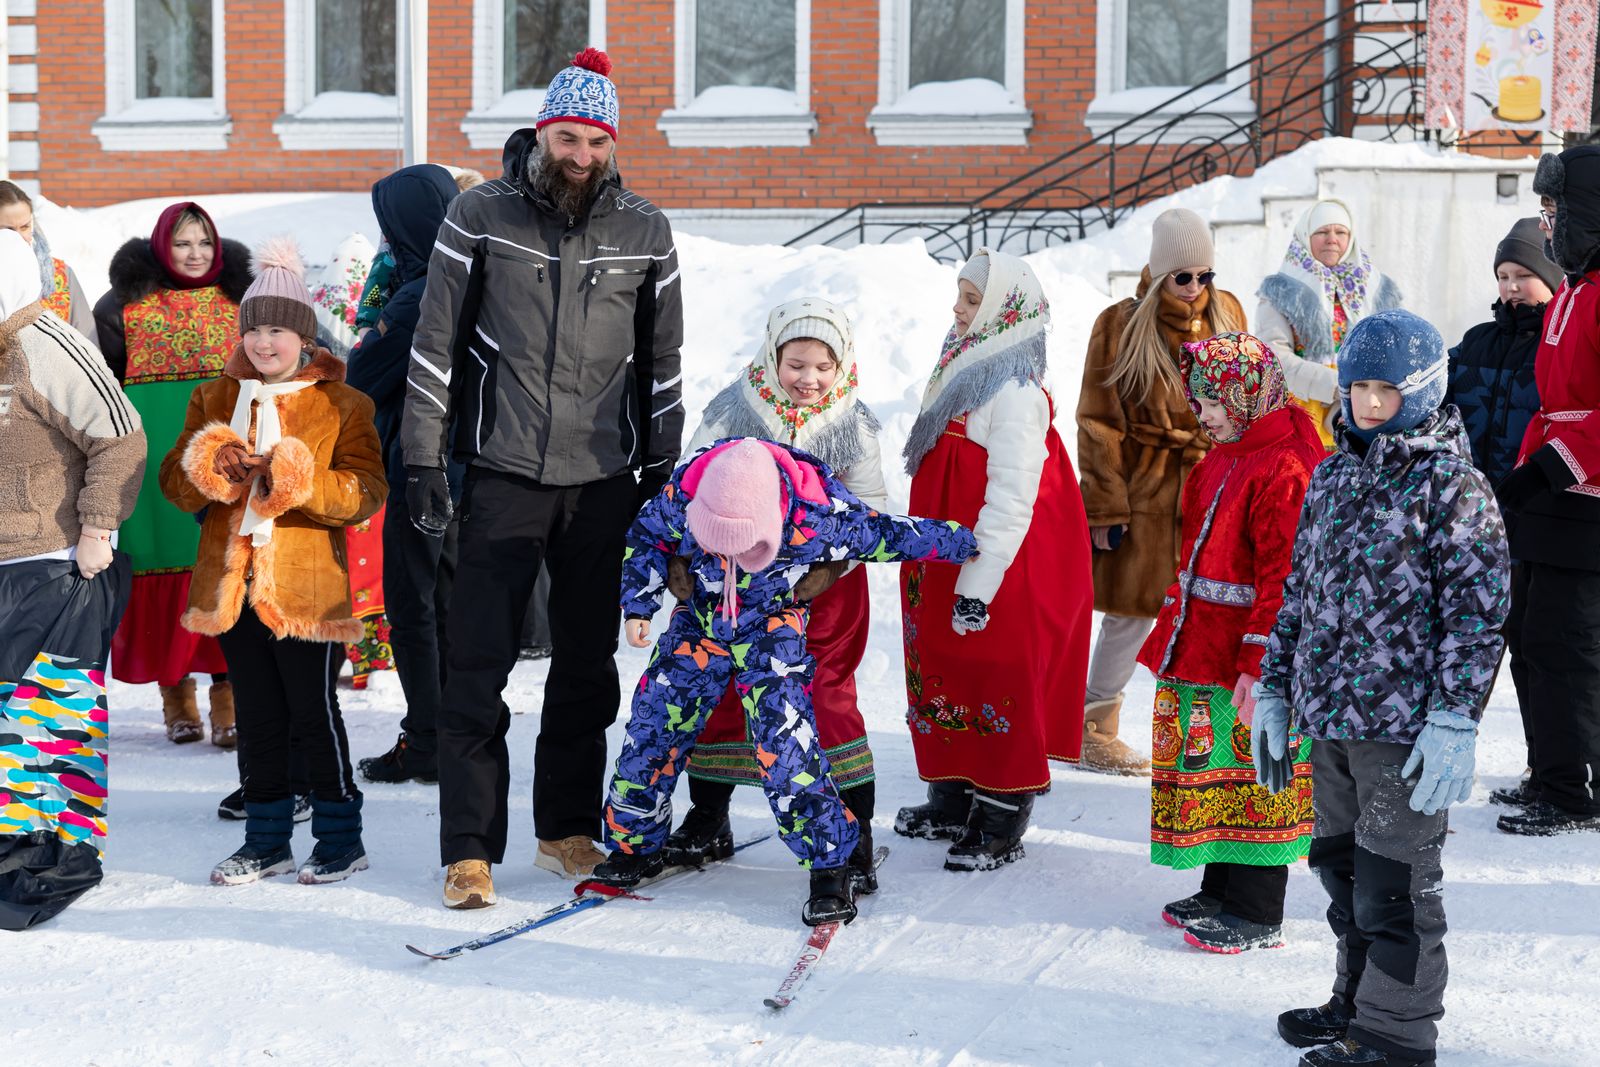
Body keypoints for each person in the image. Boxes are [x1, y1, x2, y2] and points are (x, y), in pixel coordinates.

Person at [400, 48, 685, 905]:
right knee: (477, 662)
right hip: (503, 470)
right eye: (569, 138)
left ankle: (566, 829)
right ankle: (469, 848)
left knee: (586, 667)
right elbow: (435, 345)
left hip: (602, 478)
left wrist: (661, 468)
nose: (582, 155)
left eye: (597, 141)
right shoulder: (479, 214)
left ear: (612, 142)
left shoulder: (644, 229)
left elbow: (662, 360)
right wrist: (422, 457)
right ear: (543, 133)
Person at [1254, 309, 1508, 1067]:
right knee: (1342, 870)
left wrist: (1455, 718)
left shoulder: (1452, 486)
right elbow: (1299, 594)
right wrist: (1276, 688)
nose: (1368, 402)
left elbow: (1477, 616)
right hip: (1330, 717)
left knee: (1394, 885)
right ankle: (1357, 1000)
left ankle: (1395, 1035)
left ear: (1421, 390)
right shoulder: (1332, 475)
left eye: (1387, 389)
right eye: (1358, 385)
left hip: (1404, 732)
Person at [589, 438, 977, 924]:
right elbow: (646, 537)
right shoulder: (684, 494)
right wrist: (639, 606)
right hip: (699, 621)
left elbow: (891, 534)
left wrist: (966, 542)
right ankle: (634, 844)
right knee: (652, 725)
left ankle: (830, 864)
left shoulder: (815, 517)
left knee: (785, 744)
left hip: (770, 626)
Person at [158, 240, 387, 886]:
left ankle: (341, 837)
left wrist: (299, 480)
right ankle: (266, 841)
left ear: (304, 338)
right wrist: (209, 463)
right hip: (233, 584)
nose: (263, 342)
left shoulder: (343, 404)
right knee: (257, 715)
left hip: (306, 589)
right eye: (254, 329)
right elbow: (174, 485)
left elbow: (367, 490)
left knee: (313, 712)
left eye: (278, 330)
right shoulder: (213, 397)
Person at [663, 299, 888, 878]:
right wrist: (681, 554)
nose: (809, 380)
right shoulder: (735, 408)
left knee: (825, 697)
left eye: (823, 367)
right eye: (796, 365)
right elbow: (689, 482)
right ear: (772, 356)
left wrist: (834, 566)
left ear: (842, 365)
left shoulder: (852, 423)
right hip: (735, 582)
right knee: (721, 691)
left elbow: (871, 507)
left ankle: (853, 828)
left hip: (822, 591)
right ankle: (708, 816)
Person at [895, 249, 1093, 870]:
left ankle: (1002, 815)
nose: (958, 309)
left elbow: (1011, 497)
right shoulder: (961, 367)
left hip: (1001, 564)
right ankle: (953, 796)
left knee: (996, 676)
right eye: (960, 295)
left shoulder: (1014, 392)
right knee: (945, 670)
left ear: (1006, 309)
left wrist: (978, 584)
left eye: (973, 300)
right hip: (943, 558)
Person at [1136, 332, 1324, 953]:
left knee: (1252, 771)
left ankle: (1256, 909)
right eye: (1199, 401)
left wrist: (1260, 663)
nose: (1204, 413)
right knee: (1215, 765)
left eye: (1215, 400)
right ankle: (1219, 887)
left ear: (1248, 395)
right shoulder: (1224, 454)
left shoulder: (1286, 466)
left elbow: (1285, 577)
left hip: (1244, 656)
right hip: (1201, 646)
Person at [0, 229, 144, 929]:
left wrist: (98, 527)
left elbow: (121, 435)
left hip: (54, 560)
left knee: (50, 717)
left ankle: (55, 858)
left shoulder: (45, 343)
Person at [1077, 208, 1246, 775]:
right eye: (1183, 276)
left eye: (1205, 275)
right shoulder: (1119, 324)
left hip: (1214, 487)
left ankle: (1208, 729)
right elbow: (1098, 422)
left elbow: (1248, 401)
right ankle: (1093, 725)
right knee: (1132, 613)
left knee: (1214, 607)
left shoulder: (1229, 313)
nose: (1195, 287)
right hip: (1146, 491)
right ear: (1158, 271)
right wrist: (1105, 504)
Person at [93, 201, 251, 749]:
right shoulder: (122, 306)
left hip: (225, 461)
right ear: (162, 246)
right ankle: (176, 695)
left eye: (204, 242)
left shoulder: (241, 299)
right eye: (183, 243)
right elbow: (102, 386)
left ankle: (229, 697)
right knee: (163, 566)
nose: (195, 253)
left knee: (224, 566)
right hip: (153, 466)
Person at [1493, 147, 1600, 836]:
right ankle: (1549, 770)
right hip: (1552, 491)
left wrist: (1549, 468)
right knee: (1528, 635)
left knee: (1568, 644)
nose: (1549, 224)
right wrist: (1524, 472)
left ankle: (1575, 788)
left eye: (1557, 210)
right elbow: (1555, 402)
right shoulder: (1573, 291)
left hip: (1587, 499)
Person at [346, 163, 461, 784]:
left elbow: (364, 377)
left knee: (414, 606)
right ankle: (457, 732)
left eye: (390, 226)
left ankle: (426, 742)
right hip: (467, 467)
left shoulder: (418, 296)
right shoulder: (469, 276)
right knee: (450, 603)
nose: (386, 240)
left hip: (422, 468)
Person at [1442, 217, 1555, 809]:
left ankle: (1549, 766)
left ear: (1551, 278)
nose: (1511, 287)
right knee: (1469, 646)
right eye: (1504, 276)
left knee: (1535, 651)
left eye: (1523, 276)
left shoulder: (1558, 346)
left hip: (1535, 516)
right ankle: (1442, 756)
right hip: (1473, 520)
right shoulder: (1477, 341)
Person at [1255, 198, 1404, 448]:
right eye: (1322, 232)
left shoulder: (1377, 290)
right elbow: (1274, 360)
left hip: (1364, 413)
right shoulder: (1280, 291)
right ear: (1305, 236)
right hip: (1300, 415)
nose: (1332, 239)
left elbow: (1394, 352)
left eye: (1341, 232)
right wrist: (1339, 386)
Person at [0, 180, 97, 342]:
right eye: (8, 230)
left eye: (25, 227)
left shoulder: (60, 275)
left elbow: (88, 343)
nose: (20, 237)